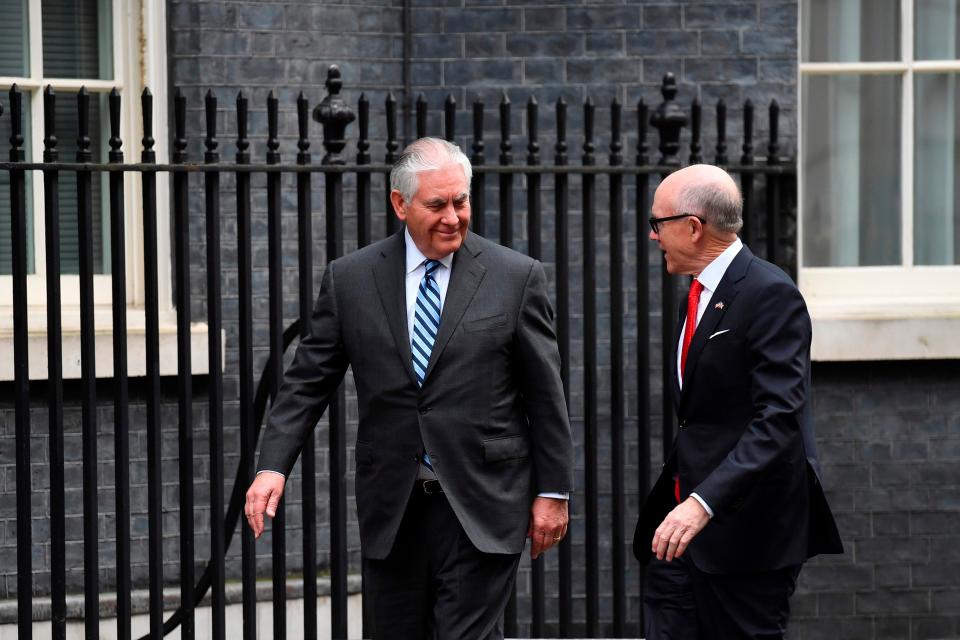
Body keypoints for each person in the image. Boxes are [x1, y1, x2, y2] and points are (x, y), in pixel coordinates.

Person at [245, 137, 574, 639]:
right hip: (393, 508)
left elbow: (545, 396)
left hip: (481, 503)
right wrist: (272, 466)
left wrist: (553, 492)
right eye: (437, 204)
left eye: (460, 201)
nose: (453, 217)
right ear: (400, 204)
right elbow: (306, 383)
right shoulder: (351, 279)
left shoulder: (515, 277)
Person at [633, 164, 843, 639]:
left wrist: (702, 502)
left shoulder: (770, 294)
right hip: (681, 534)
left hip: (746, 535)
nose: (653, 236)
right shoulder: (700, 293)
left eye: (657, 224)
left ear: (692, 226)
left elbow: (779, 418)